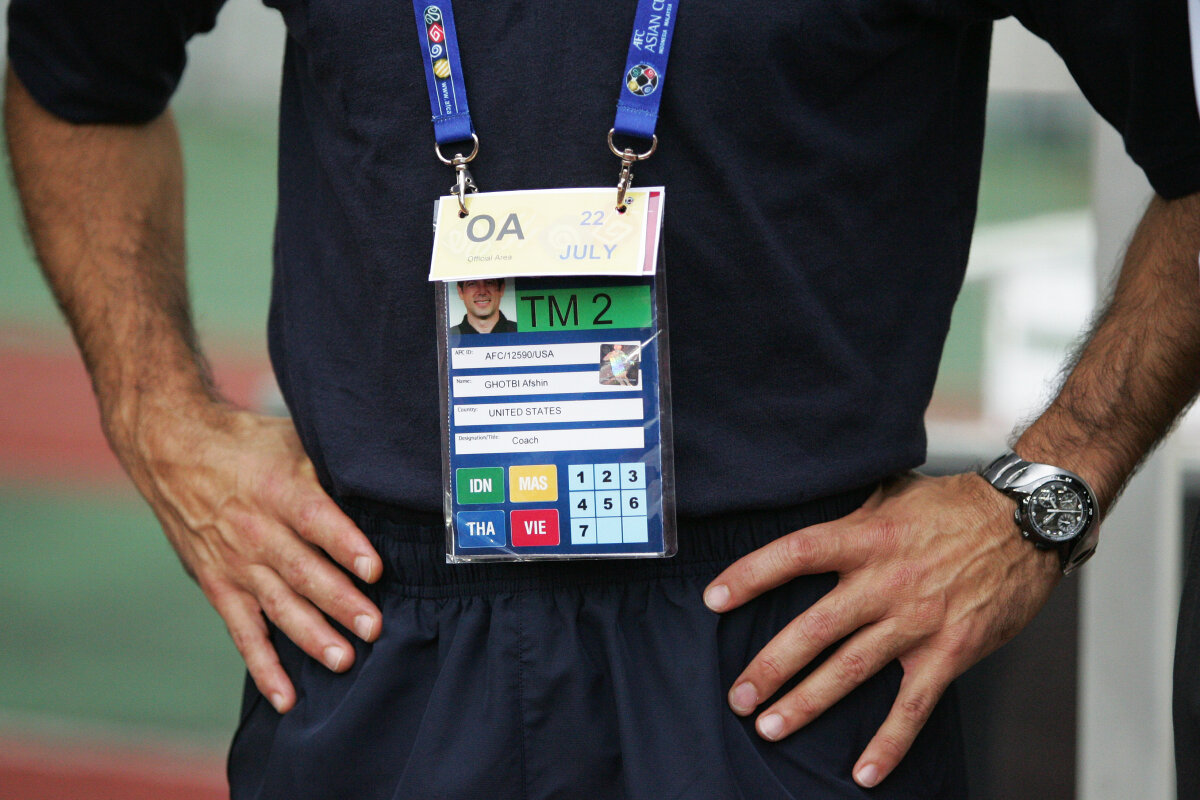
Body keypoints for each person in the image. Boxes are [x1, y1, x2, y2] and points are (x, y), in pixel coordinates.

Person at [6, 1, 1200, 797]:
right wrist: (158, 415)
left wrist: (1043, 495)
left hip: (787, 648)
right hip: (372, 626)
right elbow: (75, 76)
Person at [453, 278, 517, 334]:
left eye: (489, 282)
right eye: (472, 284)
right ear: (460, 292)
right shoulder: (449, 336)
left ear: (501, 289)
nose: (482, 292)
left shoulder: (520, 330)